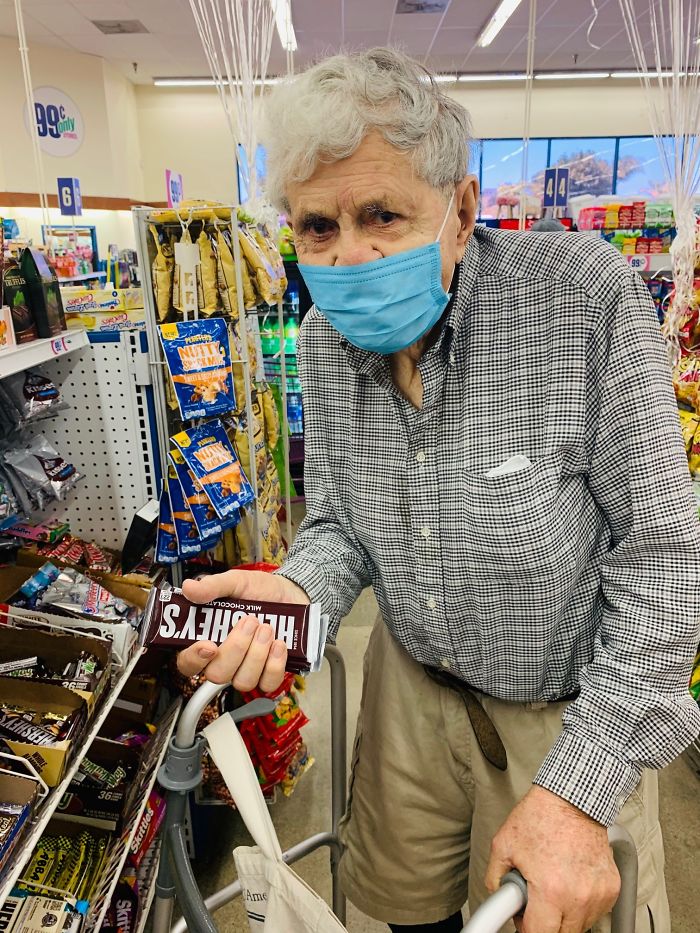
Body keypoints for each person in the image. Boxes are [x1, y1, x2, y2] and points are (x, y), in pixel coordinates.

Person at [177, 48, 700, 933]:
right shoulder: (321, 334)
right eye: (316, 227)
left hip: (566, 714)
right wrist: (297, 591)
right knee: (408, 914)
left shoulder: (583, 301)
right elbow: (340, 518)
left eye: (381, 213)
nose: (350, 256)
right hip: (407, 697)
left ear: (460, 208)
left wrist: (580, 789)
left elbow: (667, 564)